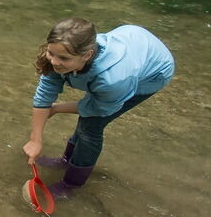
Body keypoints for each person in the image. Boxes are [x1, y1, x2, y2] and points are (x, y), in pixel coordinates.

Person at [22, 18, 175, 198]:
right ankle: (66, 161)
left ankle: (71, 184)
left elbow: (98, 108)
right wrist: (36, 139)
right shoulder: (60, 52)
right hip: (133, 38)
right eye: (51, 53)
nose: (54, 62)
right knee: (88, 114)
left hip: (153, 72)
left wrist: (57, 108)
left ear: (87, 55)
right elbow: (45, 94)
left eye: (63, 58)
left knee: (91, 126)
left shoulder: (114, 79)